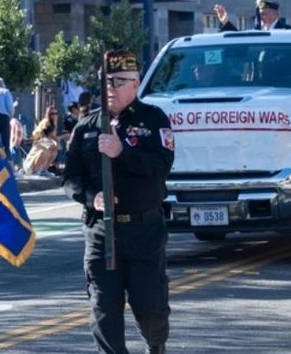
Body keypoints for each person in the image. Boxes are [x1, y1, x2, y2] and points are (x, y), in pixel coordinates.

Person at [63, 50, 175, 354]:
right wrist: (91, 197)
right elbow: (70, 178)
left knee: (149, 307)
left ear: (136, 83)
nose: (110, 88)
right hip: (101, 233)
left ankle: (156, 345)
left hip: (143, 230)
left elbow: (161, 165)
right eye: (106, 81)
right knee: (103, 311)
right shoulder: (86, 126)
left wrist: (121, 151)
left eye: (119, 81)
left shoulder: (153, 120)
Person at [215, 0, 291, 31]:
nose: (261, 18)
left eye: (264, 14)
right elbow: (241, 40)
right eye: (260, 15)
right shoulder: (258, 29)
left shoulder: (287, 30)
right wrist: (225, 22)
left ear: (275, 15)